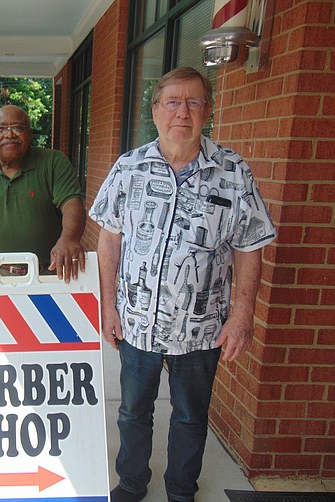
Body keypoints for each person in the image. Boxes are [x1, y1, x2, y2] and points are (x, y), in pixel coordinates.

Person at [89, 67, 276, 502]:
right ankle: (133, 484)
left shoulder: (234, 173)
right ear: (155, 111)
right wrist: (108, 306)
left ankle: (181, 492)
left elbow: (250, 247)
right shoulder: (129, 168)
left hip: (202, 328)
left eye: (194, 102)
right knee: (133, 413)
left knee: (190, 417)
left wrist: (243, 315)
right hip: (137, 321)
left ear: (208, 111)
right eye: (173, 102)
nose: (183, 112)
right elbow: (109, 241)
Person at [0, 105, 86, 282]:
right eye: (1, 129)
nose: (9, 134)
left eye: (17, 127)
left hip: (45, 276)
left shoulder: (53, 163)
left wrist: (70, 238)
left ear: (29, 134)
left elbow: (72, 204)